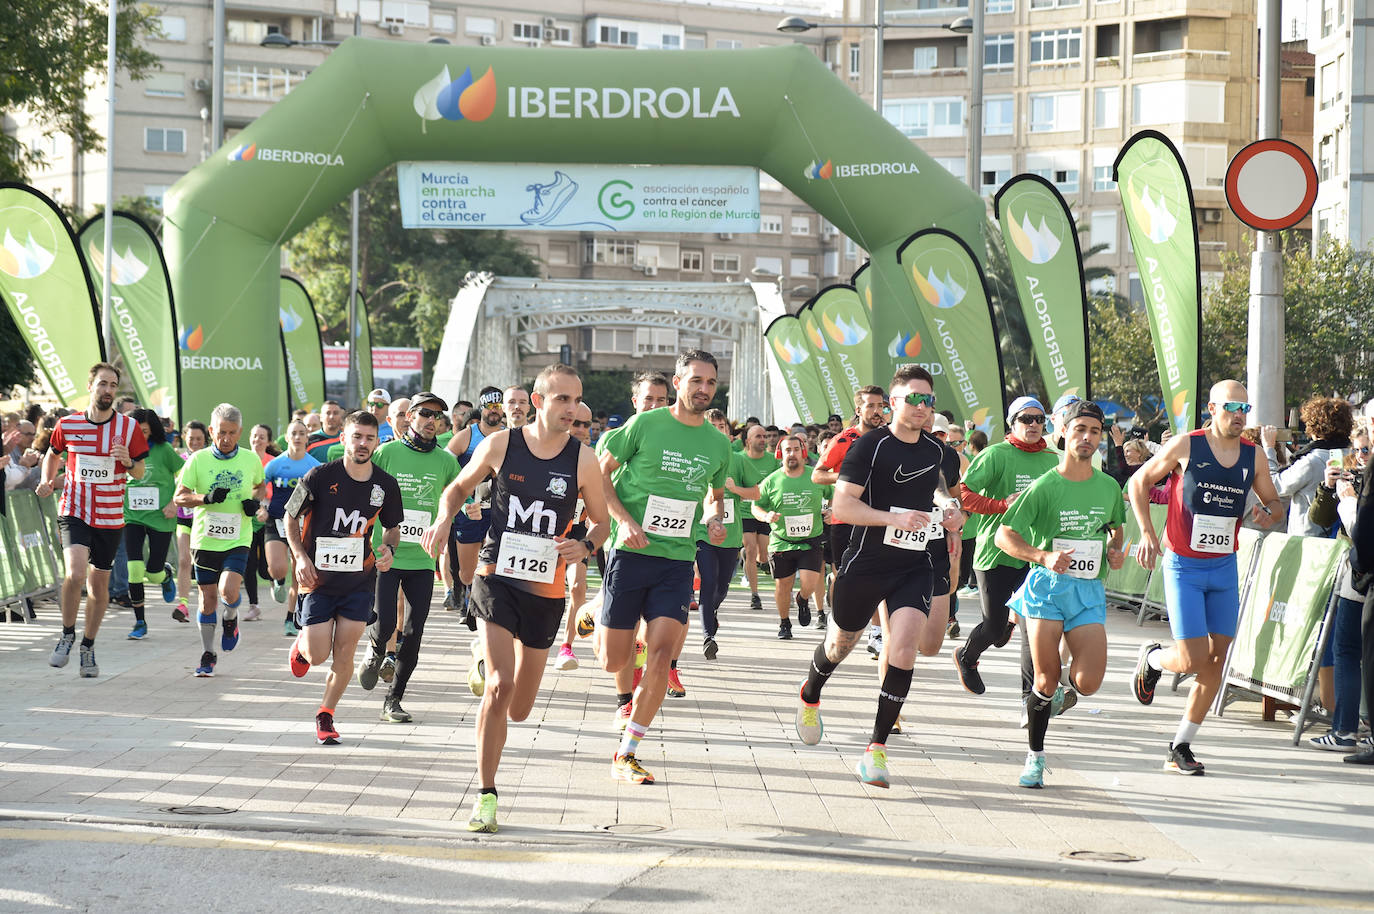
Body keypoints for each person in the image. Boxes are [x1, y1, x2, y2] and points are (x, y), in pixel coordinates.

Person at [422, 364, 608, 832]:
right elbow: (458, 487)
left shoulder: (582, 459)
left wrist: (584, 546)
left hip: (546, 587)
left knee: (521, 708)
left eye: (577, 400)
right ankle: (485, 795)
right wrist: (445, 518)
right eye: (562, 399)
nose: (572, 409)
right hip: (496, 573)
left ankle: (484, 660)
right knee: (501, 688)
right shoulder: (502, 444)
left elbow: (602, 523)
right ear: (539, 400)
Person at [794, 366, 962, 787]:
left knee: (904, 649)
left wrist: (950, 510)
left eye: (929, 400)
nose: (923, 407)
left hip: (913, 565)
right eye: (914, 399)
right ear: (893, 403)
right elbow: (843, 508)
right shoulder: (869, 446)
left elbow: (940, 486)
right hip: (866, 563)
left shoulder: (939, 451)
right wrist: (895, 517)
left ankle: (876, 750)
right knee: (839, 646)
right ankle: (811, 691)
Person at [1128, 380, 1282, 774]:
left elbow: (1273, 503)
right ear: (1212, 409)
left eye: (1244, 409)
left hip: (1223, 566)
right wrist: (1147, 533)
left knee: (1216, 657)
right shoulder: (1186, 445)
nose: (1238, 415)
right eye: (1230, 407)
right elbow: (1139, 482)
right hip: (1184, 564)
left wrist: (1269, 514)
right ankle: (1155, 659)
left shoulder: (1254, 455)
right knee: (1193, 657)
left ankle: (1180, 746)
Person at [597, 351, 732, 785]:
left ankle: (627, 752)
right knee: (612, 659)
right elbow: (601, 474)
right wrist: (624, 521)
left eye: (710, 382)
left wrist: (712, 518)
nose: (704, 389)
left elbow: (715, 495)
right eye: (696, 380)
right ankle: (589, 615)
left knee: (659, 659)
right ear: (678, 382)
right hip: (630, 552)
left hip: (676, 559)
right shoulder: (644, 425)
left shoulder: (718, 442)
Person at [994, 401, 1126, 788]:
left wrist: (1115, 551)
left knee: (1088, 682)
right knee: (1046, 680)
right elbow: (1005, 535)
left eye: (1095, 431)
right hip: (1047, 591)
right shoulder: (1046, 485)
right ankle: (1035, 757)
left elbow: (1115, 527)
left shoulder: (1108, 486)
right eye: (1080, 429)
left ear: (1101, 439)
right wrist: (1042, 555)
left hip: (1087, 592)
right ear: (1064, 433)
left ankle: (1055, 695)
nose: (1087, 437)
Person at [284, 410, 403, 745]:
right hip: (318, 580)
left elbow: (392, 529)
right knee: (318, 655)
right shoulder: (318, 476)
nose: (363, 443)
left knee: (345, 653)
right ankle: (302, 646)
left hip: (357, 582)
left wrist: (388, 550)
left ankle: (326, 713)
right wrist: (300, 557)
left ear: (377, 442)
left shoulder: (385, 485)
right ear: (344, 439)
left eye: (369, 438)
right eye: (357, 437)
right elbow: (290, 517)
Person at [38, 363, 149, 677]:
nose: (108, 390)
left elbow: (140, 471)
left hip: (110, 516)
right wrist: (48, 480)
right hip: (74, 509)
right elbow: (53, 452)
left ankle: (88, 645)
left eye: (113, 385)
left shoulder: (128, 428)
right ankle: (67, 634)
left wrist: (127, 461)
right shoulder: (69, 424)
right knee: (74, 572)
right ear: (91, 387)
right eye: (103, 384)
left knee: (99, 586)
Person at [356, 392, 460, 722]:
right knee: (385, 622)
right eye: (426, 414)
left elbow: (458, 495)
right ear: (410, 416)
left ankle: (393, 699)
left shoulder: (445, 461)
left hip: (422, 559)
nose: (432, 421)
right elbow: (363, 492)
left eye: (438, 417)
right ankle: (374, 651)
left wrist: (465, 508)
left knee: (414, 633)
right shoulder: (386, 453)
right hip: (386, 554)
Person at [953, 396, 1060, 697]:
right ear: (1013, 423)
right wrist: (1001, 504)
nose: (1035, 424)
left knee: (1033, 629)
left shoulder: (1052, 460)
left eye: (1040, 419)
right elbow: (963, 492)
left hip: (1034, 556)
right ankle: (967, 657)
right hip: (996, 552)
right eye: (1027, 419)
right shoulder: (995, 455)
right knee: (994, 630)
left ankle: (1032, 698)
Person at [173, 403, 267, 677]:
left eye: (232, 433)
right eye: (221, 433)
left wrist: (254, 502)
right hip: (205, 539)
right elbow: (180, 496)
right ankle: (207, 653)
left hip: (238, 536)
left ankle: (231, 617)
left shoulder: (251, 459)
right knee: (207, 600)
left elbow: (260, 486)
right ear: (212, 430)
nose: (226, 439)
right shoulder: (198, 460)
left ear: (240, 432)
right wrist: (206, 499)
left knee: (228, 591)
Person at [811, 386, 889, 652]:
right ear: (858, 410)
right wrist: (849, 476)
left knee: (879, 577)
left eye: (881, 405)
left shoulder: (890, 438)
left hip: (879, 518)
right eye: (871, 406)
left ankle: (877, 634)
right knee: (846, 580)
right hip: (846, 521)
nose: (877, 411)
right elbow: (818, 475)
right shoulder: (845, 440)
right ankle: (838, 622)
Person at [696, 408, 762, 660]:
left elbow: (757, 493)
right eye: (711, 426)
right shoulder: (694, 455)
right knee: (708, 581)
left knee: (722, 587)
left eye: (721, 426)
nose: (717, 430)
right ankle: (707, 637)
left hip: (730, 534)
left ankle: (711, 612)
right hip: (702, 532)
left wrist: (735, 488)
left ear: (728, 431)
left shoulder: (738, 459)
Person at [753, 435, 830, 640]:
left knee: (810, 583)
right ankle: (784, 623)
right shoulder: (772, 480)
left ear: (803, 452)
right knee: (782, 585)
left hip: (810, 541)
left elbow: (835, 493)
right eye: (788, 450)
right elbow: (756, 505)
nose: (792, 454)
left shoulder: (816, 476)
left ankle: (803, 599)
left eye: (796, 449)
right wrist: (766, 515)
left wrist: (832, 510)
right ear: (780, 454)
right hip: (781, 542)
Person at [121, 408, 183, 640]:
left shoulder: (164, 450)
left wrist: (174, 503)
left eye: (145, 431)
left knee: (153, 574)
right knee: (134, 569)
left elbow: (185, 476)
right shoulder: (123, 450)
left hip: (160, 517)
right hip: (132, 517)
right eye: (137, 431)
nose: (141, 436)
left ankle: (165, 575)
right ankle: (140, 622)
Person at [445, 386, 506, 619]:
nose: (494, 411)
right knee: (467, 571)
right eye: (490, 406)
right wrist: (460, 498)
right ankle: (467, 592)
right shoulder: (467, 436)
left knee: (494, 565)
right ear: (481, 408)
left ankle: (479, 606)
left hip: (499, 511)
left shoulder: (508, 436)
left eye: (498, 406)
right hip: (469, 509)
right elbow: (446, 466)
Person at [1262, 396, 1354, 536]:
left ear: (1313, 427)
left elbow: (1275, 486)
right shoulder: (1353, 456)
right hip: (1344, 538)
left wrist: (1269, 448)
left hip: (1310, 541)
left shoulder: (1311, 461)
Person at [262, 421, 319, 635]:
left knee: (299, 573)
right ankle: (277, 581)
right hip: (276, 520)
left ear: (307, 438)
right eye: (293, 433)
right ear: (286, 437)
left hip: (302, 524)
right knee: (278, 568)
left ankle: (290, 618)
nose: (297, 437)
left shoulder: (314, 465)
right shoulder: (275, 465)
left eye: (301, 433)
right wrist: (261, 507)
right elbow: (259, 489)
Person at [554, 401, 597, 671]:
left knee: (577, 587)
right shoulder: (547, 453)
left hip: (577, 535)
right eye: (575, 423)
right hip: (544, 534)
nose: (580, 429)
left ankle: (566, 647)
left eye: (586, 425)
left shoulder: (593, 458)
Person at [739, 424, 781, 612]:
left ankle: (754, 560)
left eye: (764, 436)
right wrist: (749, 492)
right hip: (745, 511)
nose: (763, 440)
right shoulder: (738, 459)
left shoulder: (773, 461)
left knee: (763, 555)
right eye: (758, 436)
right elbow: (737, 489)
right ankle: (755, 595)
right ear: (748, 441)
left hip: (765, 513)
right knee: (750, 548)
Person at [171, 421, 208, 622]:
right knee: (184, 560)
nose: (194, 442)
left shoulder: (209, 460)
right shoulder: (179, 461)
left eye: (199, 439)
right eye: (191, 438)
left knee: (202, 564)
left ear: (205, 440)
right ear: (185, 437)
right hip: (183, 518)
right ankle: (183, 604)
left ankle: (205, 605)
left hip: (205, 519)